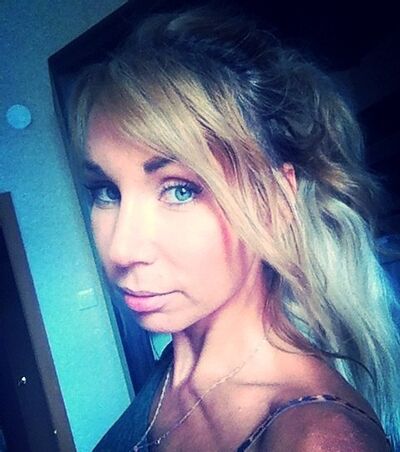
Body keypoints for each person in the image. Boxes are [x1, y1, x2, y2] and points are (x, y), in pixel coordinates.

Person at [69, 6, 400, 451]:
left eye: (180, 190)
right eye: (107, 191)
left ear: (276, 200)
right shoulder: (177, 368)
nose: (121, 251)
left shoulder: (316, 439)